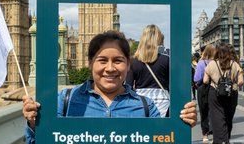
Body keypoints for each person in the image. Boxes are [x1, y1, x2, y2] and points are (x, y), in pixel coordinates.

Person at [22, 31, 197, 144]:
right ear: (90, 63)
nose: (110, 68)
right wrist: (33, 123)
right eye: (102, 60)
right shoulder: (66, 100)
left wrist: (180, 123)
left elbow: (164, 140)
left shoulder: (146, 106)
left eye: (118, 61)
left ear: (128, 65)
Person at [203, 43, 244, 143]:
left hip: (215, 94)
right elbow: (241, 81)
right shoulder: (234, 64)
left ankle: (219, 140)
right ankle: (226, 139)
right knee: (228, 118)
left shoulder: (212, 64)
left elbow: (205, 81)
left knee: (217, 119)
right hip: (231, 93)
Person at [126, 24, 170, 117]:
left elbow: (128, 87)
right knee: (162, 132)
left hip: (141, 104)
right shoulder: (167, 60)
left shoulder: (133, 62)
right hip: (163, 105)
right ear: (158, 39)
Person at [193, 44, 215, 142]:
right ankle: (214, 130)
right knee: (214, 111)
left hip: (203, 89)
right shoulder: (216, 62)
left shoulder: (201, 63)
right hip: (214, 89)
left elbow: (196, 78)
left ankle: (205, 135)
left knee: (203, 112)